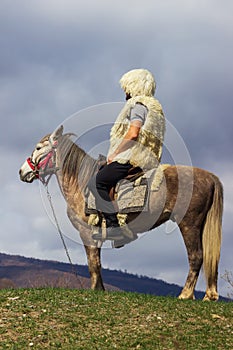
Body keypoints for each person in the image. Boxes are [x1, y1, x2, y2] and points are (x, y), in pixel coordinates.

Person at [87, 68, 165, 240]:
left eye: (127, 88)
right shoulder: (155, 109)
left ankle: (115, 228)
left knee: (96, 182)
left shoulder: (137, 106)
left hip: (131, 158)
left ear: (134, 87)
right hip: (148, 159)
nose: (125, 92)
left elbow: (133, 133)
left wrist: (115, 153)